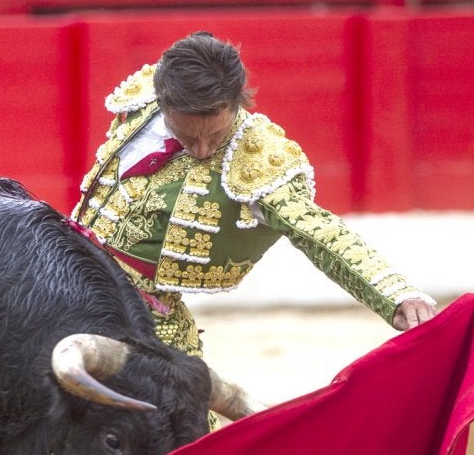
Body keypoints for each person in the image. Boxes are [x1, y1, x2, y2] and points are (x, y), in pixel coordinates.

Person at [71, 31, 438, 360]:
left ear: (236, 103)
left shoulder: (256, 159)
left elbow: (320, 232)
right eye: (187, 136)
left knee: (184, 430)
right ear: (162, 103)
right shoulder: (139, 107)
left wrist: (397, 294)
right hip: (63, 275)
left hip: (142, 319)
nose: (201, 150)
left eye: (214, 136)